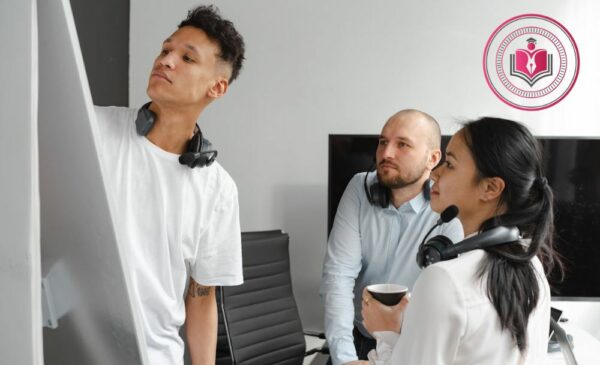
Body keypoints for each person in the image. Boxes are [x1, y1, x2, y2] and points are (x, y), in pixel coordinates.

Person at [93, 6, 245, 364]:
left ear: (217, 87)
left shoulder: (218, 189)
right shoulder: (92, 128)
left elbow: (202, 296)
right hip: (67, 345)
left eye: (187, 58)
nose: (166, 61)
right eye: (165, 50)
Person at [360, 117, 562, 365]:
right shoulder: (533, 267)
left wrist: (385, 332)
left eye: (450, 164)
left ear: (490, 188)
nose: (434, 174)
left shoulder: (443, 279)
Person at [321, 109, 464, 365]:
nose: (386, 153)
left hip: (415, 348)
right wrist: (345, 360)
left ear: (432, 158)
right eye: (383, 142)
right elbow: (338, 276)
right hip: (358, 340)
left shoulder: (450, 208)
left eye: (403, 145)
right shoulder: (359, 188)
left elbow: (451, 300)